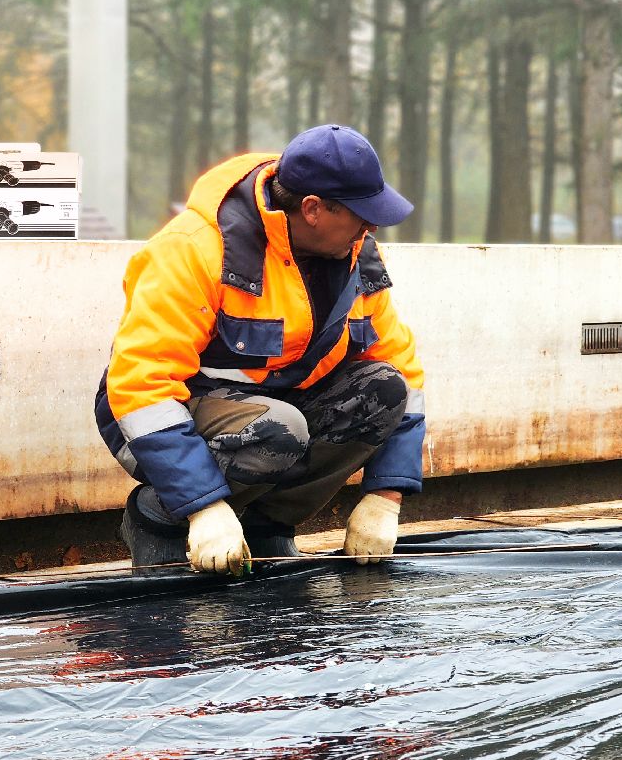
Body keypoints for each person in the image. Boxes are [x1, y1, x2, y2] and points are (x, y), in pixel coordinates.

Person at [94, 124, 425, 575]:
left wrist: (385, 497)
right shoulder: (194, 250)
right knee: (278, 427)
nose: (371, 227)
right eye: (360, 215)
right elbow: (142, 387)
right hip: (160, 415)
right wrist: (203, 507)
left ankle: (267, 526)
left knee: (384, 389)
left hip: (274, 408)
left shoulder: (357, 253)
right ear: (312, 209)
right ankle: (159, 520)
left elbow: (401, 368)